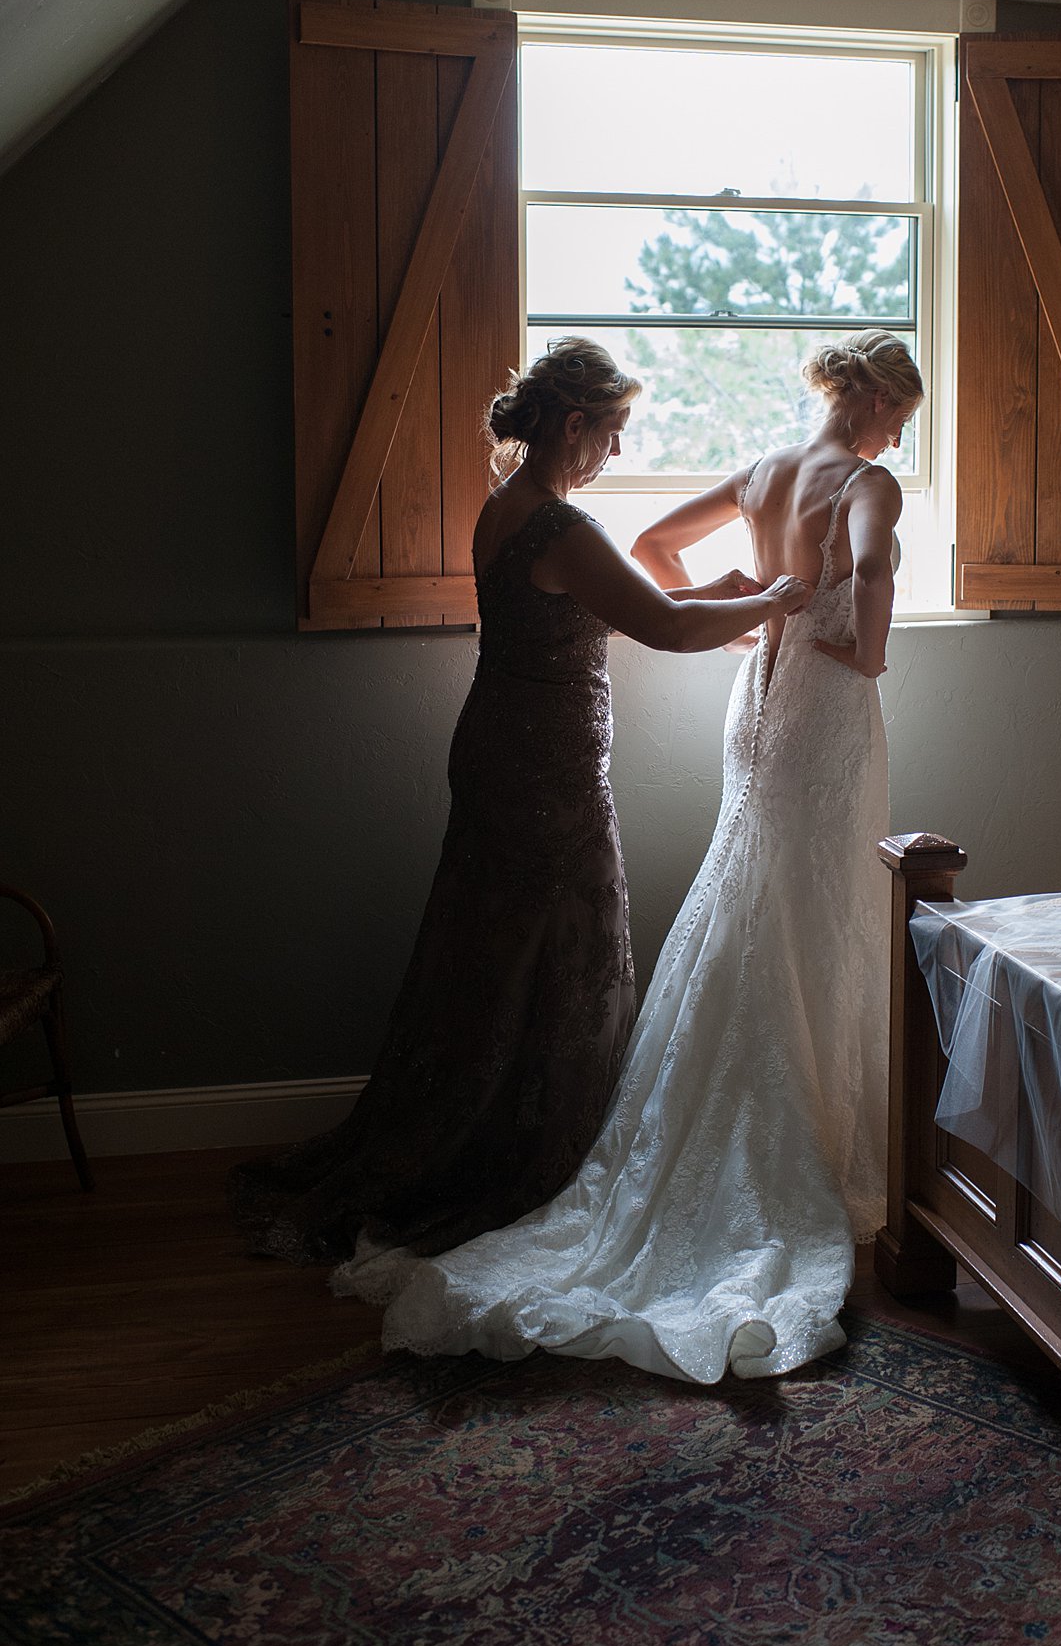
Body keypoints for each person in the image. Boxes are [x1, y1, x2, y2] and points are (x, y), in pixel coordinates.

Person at [333, 330, 923, 1381]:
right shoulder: (855, 481)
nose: (616, 448)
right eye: (611, 432)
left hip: (681, 713)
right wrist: (811, 622)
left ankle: (526, 1138)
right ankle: (609, 1147)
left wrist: (743, 605)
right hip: (773, 707)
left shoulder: (702, 480)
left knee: (728, 892)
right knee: (780, 903)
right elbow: (792, 588)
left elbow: (658, 559)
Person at [231, 338, 809, 1265]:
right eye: (613, 434)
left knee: (492, 951)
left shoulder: (511, 509)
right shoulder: (560, 529)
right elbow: (657, 627)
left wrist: (721, 592)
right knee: (564, 955)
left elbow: (602, 605)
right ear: (574, 425)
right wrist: (774, 599)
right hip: (546, 770)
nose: (617, 454)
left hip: (497, 749)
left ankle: (479, 1126)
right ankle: (533, 1155)